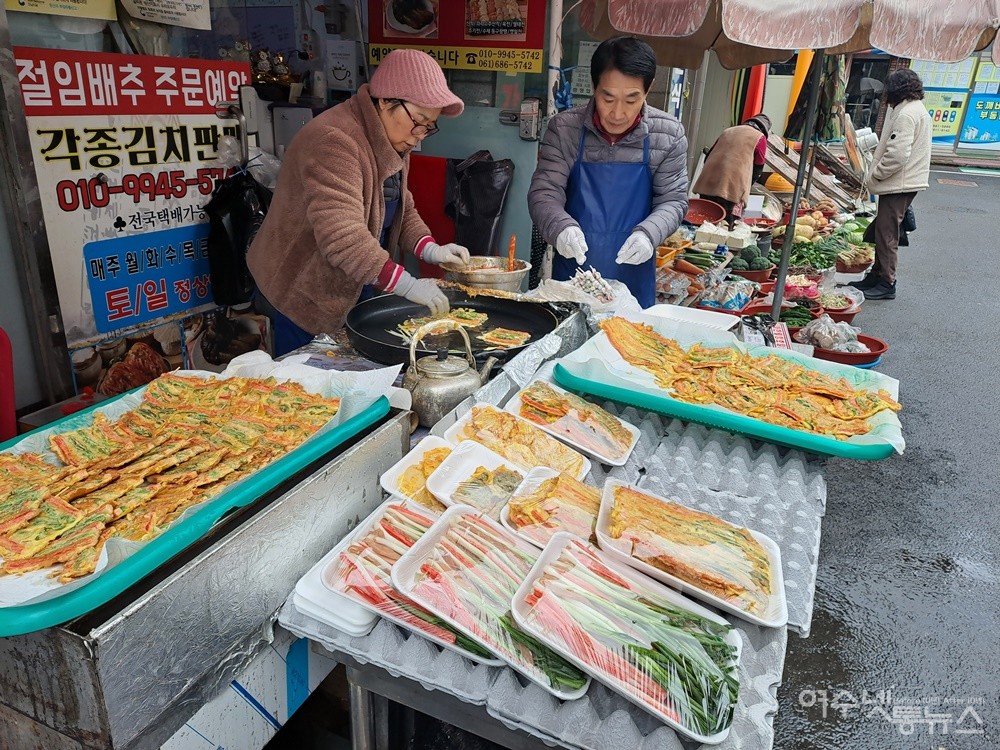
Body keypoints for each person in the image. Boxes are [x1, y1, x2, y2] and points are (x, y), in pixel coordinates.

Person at [247, 49, 470, 356]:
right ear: (385, 100)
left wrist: (430, 249)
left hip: (357, 276)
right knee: (307, 389)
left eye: (429, 126)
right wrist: (408, 285)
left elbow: (400, 205)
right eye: (418, 121)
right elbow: (342, 237)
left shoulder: (391, 139)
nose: (420, 137)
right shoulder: (335, 140)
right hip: (300, 290)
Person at [528, 36, 688, 308]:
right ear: (594, 87)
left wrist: (648, 234)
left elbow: (673, 200)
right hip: (572, 277)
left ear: (647, 92)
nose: (617, 113)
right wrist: (560, 227)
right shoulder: (565, 128)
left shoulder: (668, 134)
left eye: (631, 100)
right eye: (608, 97)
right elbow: (545, 191)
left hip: (634, 279)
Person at [856, 68, 931, 301]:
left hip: (899, 183)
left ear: (895, 90)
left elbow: (897, 155)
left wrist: (875, 175)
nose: (885, 94)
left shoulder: (907, 114)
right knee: (883, 230)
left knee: (887, 234)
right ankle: (877, 275)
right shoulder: (913, 109)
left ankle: (887, 282)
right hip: (904, 182)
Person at [692, 113, 771, 228]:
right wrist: (747, 186)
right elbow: (758, 167)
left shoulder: (729, 130)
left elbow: (710, 154)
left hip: (709, 178)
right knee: (725, 222)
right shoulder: (760, 137)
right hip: (732, 184)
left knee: (703, 216)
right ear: (764, 129)